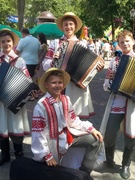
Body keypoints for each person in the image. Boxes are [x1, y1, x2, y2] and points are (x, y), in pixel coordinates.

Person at [31, 68, 103, 179]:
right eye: (53, 82)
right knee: (53, 173)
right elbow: (38, 134)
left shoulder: (65, 99)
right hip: (51, 142)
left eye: (60, 82)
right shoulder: (41, 106)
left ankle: (84, 173)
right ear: (46, 85)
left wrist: (91, 129)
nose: (58, 85)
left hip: (67, 136)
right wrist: (47, 155)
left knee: (94, 140)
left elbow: (73, 120)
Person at [42, 12, 104, 119]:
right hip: (58, 83)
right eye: (66, 24)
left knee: (75, 117)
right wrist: (54, 60)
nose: (68, 27)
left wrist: (97, 68)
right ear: (62, 27)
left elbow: (91, 65)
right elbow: (45, 64)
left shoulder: (82, 44)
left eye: (71, 24)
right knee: (58, 116)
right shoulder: (55, 43)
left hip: (75, 85)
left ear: (75, 27)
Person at [101, 29, 135, 179]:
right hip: (117, 101)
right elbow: (105, 85)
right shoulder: (115, 61)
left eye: (127, 41)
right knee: (109, 134)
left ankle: (126, 165)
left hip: (133, 105)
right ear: (118, 45)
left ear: (133, 41)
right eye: (122, 42)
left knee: (131, 135)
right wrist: (112, 81)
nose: (125, 44)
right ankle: (109, 160)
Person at [0, 29, 31, 166]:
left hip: (16, 99)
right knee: (2, 124)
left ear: (13, 43)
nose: (6, 44)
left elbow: (27, 79)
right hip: (1, 100)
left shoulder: (20, 60)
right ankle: (5, 154)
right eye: (3, 41)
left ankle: (19, 154)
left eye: (8, 41)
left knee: (16, 125)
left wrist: (31, 91)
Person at [15, 28, 40, 100]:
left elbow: (17, 52)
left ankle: (31, 95)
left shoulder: (23, 40)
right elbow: (38, 50)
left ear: (22, 33)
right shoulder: (36, 40)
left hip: (25, 62)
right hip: (34, 62)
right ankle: (34, 94)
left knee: (26, 80)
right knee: (30, 78)